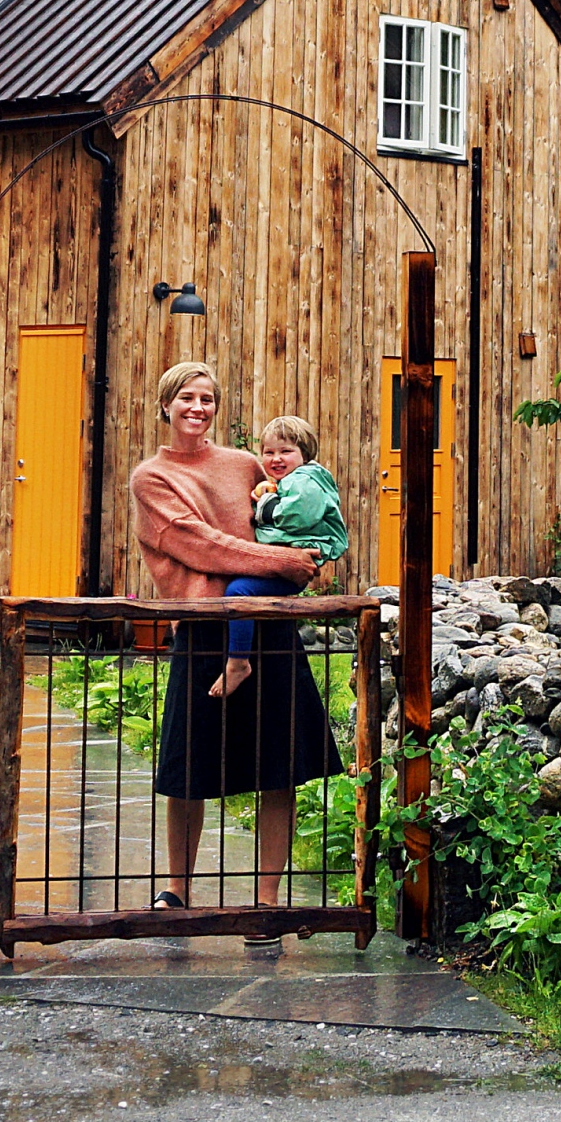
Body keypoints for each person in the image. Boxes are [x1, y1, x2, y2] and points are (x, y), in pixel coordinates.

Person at [127, 361, 337, 911]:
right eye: (187, 398)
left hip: (266, 624)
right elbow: (196, 544)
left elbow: (291, 516)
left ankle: (266, 900)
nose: (198, 408)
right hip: (202, 630)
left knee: (279, 767)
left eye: (208, 399)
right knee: (188, 768)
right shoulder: (152, 478)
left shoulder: (246, 465)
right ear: (166, 405)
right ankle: (177, 891)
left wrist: (310, 551)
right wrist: (283, 561)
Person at [213, 415, 349, 699]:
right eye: (269, 452)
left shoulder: (307, 480)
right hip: (283, 561)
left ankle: (238, 662)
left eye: (286, 451)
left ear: (305, 454)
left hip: (293, 567)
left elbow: (297, 515)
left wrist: (265, 505)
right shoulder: (290, 480)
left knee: (239, 590)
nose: (276, 458)